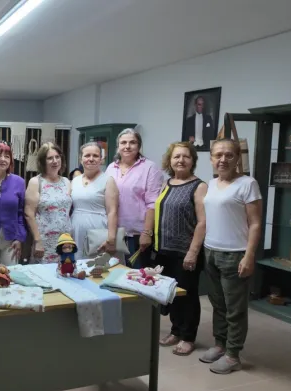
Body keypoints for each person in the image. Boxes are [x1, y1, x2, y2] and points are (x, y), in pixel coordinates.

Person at [199, 139, 262, 374]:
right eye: (218, 155)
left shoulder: (248, 184)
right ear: (211, 159)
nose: (223, 159)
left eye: (229, 155)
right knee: (218, 304)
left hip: (235, 254)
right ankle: (220, 344)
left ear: (237, 158)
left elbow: (255, 224)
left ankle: (233, 355)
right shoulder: (211, 184)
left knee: (235, 309)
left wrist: (249, 255)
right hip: (210, 251)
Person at [154, 141, 207, 356]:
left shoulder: (199, 186)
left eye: (186, 156)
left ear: (193, 160)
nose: (181, 160)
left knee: (188, 295)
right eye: (176, 156)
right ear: (170, 160)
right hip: (164, 250)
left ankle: (188, 336)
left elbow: (202, 222)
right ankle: (175, 330)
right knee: (172, 294)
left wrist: (193, 252)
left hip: (186, 252)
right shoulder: (166, 183)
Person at [105, 129, 163, 268]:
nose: (127, 146)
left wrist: (147, 232)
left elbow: (152, 203)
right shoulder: (111, 167)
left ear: (139, 146)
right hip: (113, 232)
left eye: (132, 142)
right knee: (113, 272)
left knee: (135, 275)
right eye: (123, 142)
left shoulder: (149, 167)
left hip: (137, 234)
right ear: (118, 146)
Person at [24, 142, 72, 264]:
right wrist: (37, 240)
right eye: (50, 158)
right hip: (44, 241)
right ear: (42, 161)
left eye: (57, 157)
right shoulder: (36, 182)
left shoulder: (66, 182)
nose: (55, 161)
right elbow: (29, 214)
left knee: (65, 270)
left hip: (65, 240)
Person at [70, 142, 119, 259]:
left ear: (101, 159)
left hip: (98, 230)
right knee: (75, 264)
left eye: (95, 156)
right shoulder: (75, 181)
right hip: (75, 230)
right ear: (81, 159)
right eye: (87, 155)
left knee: (96, 265)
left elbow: (112, 211)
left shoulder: (108, 180)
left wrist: (111, 238)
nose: (91, 159)